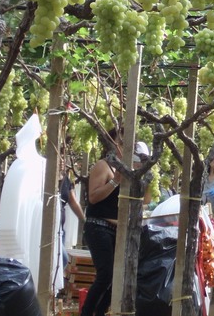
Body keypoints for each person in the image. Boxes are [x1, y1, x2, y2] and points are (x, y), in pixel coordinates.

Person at [81, 130, 144, 316]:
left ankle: (99, 312)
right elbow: (93, 197)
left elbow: (144, 200)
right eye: (121, 142)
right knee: (106, 275)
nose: (125, 147)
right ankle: (87, 313)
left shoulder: (126, 169)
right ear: (111, 143)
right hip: (98, 226)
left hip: (117, 230)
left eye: (129, 143)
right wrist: (115, 181)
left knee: (120, 276)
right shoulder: (103, 166)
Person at [59, 163, 86, 268]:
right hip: (47, 228)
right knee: (63, 258)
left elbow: (73, 201)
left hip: (60, 229)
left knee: (61, 260)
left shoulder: (65, 180)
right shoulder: (44, 176)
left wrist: (84, 221)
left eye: (63, 158)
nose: (61, 162)